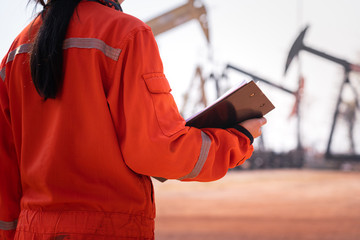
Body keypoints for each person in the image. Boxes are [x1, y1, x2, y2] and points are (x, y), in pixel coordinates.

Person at [0, 0, 267, 239]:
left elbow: (5, 176)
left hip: (30, 229)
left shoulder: (16, 50)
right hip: (106, 230)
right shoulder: (126, 33)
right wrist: (238, 139)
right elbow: (158, 150)